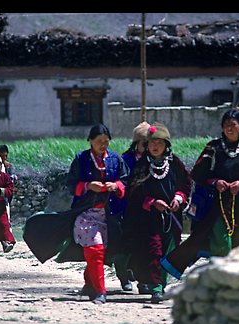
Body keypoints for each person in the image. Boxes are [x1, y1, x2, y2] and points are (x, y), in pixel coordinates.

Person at [22, 123, 128, 304]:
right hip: (86, 214)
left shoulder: (115, 159)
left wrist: (116, 186)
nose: (103, 145)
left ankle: (89, 284)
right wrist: (87, 186)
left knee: (103, 252)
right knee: (95, 250)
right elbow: (71, 184)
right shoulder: (82, 159)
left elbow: (125, 180)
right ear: (90, 141)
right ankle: (100, 292)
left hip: (109, 214)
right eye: (99, 141)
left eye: (106, 142)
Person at [160, 109, 239, 279]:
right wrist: (216, 183)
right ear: (222, 128)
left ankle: (234, 278)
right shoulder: (213, 147)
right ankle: (220, 276)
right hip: (216, 203)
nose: (230, 128)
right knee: (220, 241)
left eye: (233, 125)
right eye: (226, 125)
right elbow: (198, 173)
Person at [124, 123, 191, 303]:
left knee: (168, 251)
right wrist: (152, 202)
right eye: (152, 143)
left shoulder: (175, 163)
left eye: (159, 143)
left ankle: (160, 284)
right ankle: (156, 288)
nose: (155, 147)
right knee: (154, 250)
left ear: (166, 145)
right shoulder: (142, 165)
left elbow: (185, 184)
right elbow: (134, 189)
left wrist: (178, 198)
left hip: (171, 216)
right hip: (148, 219)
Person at [114, 121, 150, 293]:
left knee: (144, 246)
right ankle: (123, 275)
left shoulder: (154, 161)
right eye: (146, 143)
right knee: (124, 246)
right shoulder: (125, 160)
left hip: (146, 210)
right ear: (137, 144)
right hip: (126, 210)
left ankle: (143, 280)